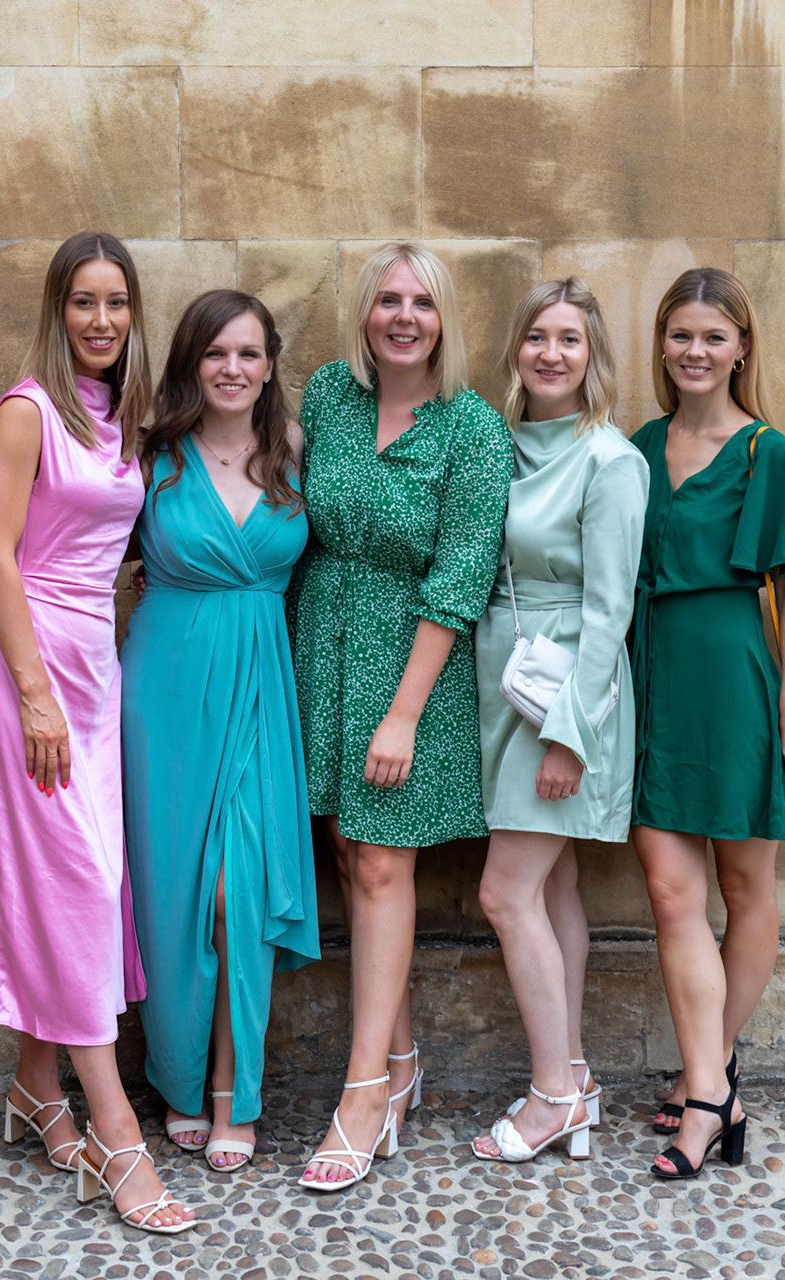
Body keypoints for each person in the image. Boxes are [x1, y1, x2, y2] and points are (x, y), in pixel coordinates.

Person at [0, 231, 194, 1234]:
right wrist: (35, 693)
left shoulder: (120, 417)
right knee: (84, 890)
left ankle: (36, 1086)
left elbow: (92, 537)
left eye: (117, 302)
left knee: (79, 883)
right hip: (35, 677)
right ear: (58, 311)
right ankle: (118, 1138)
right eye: (84, 301)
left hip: (97, 669)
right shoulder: (27, 411)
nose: (102, 319)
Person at [291, 242, 511, 1190]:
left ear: (443, 318)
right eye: (388, 299)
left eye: (422, 302)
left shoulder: (473, 429)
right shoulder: (327, 398)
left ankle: (363, 1092)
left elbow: (462, 574)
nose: (404, 317)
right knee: (348, 853)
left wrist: (404, 714)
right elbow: (260, 481)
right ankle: (403, 1057)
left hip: (412, 666)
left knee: (382, 863)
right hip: (321, 647)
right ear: (366, 314)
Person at [627, 267, 785, 1181]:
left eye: (714, 336)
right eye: (681, 335)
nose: (696, 351)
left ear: (742, 347)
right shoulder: (638, 447)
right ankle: (713, 1089)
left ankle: (705, 1079)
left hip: (737, 685)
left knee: (745, 891)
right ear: (661, 344)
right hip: (650, 679)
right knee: (671, 894)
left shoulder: (766, 454)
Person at [120, 290, 318, 1172]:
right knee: (173, 897)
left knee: (242, 892)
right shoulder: (150, 459)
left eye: (248, 353)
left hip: (262, 685)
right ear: (190, 364)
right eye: (215, 353)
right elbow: (82, 545)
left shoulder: (297, 453)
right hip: (163, 693)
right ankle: (179, 1077)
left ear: (270, 365)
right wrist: (3, 569)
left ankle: (235, 1090)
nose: (232, 369)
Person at [468, 280, 648, 1163]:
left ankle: (551, 1100)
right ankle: (573, 1074)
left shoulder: (610, 460)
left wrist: (569, 735)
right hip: (503, 680)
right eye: (536, 336)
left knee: (505, 894)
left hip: (567, 694)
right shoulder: (497, 446)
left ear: (592, 356)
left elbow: (610, 612)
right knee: (554, 885)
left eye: (569, 339)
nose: (550, 353)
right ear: (517, 349)